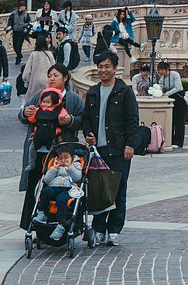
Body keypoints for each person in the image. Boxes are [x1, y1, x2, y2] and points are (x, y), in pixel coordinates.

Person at [83, 49, 139, 245]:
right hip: (99, 150)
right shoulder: (92, 92)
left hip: (118, 149)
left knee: (118, 190)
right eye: (100, 66)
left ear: (115, 68)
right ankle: (98, 228)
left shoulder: (124, 91)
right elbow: (86, 119)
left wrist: (130, 145)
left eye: (107, 66)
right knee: (99, 192)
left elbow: (133, 120)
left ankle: (114, 229)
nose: (103, 70)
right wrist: (88, 134)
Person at [18, 63, 84, 230]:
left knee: (62, 189)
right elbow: (23, 114)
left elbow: (84, 120)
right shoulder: (41, 95)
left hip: (61, 154)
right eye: (50, 76)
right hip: (39, 152)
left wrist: (71, 121)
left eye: (56, 75)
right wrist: (25, 113)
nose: (52, 79)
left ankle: (64, 225)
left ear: (65, 78)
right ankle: (32, 226)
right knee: (36, 187)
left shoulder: (73, 99)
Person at [34, 145, 84, 242]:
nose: (63, 160)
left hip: (69, 189)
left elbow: (77, 178)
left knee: (61, 199)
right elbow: (47, 180)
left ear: (72, 158)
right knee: (45, 191)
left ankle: (61, 224)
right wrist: (54, 168)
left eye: (66, 157)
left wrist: (70, 167)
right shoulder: (55, 165)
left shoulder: (76, 164)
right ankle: (41, 213)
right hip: (55, 187)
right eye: (61, 158)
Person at [155, 60, 187, 149]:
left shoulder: (175, 75)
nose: (160, 72)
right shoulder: (162, 78)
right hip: (171, 100)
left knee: (179, 121)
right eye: (159, 70)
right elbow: (161, 87)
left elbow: (177, 87)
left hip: (179, 98)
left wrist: (166, 94)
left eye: (162, 70)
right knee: (171, 120)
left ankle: (178, 142)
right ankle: (170, 140)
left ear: (167, 69)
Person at [20, 34, 55, 101]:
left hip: (35, 82)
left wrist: (26, 82)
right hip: (47, 81)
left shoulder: (33, 54)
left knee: (34, 101)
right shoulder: (49, 54)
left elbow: (27, 72)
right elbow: (54, 68)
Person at [5, 2, 32, 67]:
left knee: (18, 45)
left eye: (24, 6)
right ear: (19, 6)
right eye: (23, 6)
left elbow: (29, 22)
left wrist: (24, 25)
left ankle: (18, 58)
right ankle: (19, 54)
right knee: (14, 45)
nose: (24, 7)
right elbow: (10, 21)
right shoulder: (14, 14)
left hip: (21, 32)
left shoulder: (26, 14)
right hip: (15, 31)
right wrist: (9, 26)